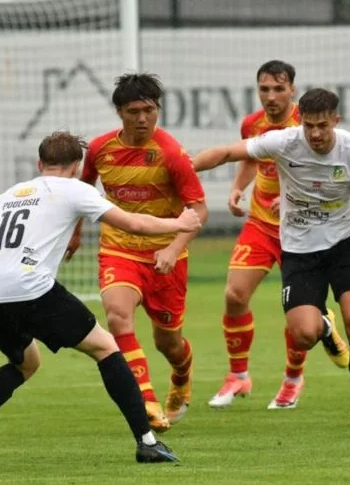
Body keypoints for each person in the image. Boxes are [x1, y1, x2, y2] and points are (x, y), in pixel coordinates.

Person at [0, 131, 199, 464]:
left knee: (26, 363)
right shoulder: (74, 189)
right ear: (76, 167)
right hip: (30, 287)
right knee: (107, 348)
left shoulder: (7, 196)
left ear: (40, 164)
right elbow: (133, 223)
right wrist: (179, 223)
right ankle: (147, 442)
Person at [193, 88, 350, 428]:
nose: (315, 134)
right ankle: (324, 326)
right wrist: (183, 168)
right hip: (300, 248)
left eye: (322, 126)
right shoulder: (284, 142)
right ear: (301, 123)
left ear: (336, 121)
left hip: (346, 243)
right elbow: (227, 153)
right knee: (304, 334)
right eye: (309, 125)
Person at [68, 73, 208, 433]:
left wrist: (174, 249)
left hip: (166, 259)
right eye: (134, 112)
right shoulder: (99, 149)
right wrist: (75, 232)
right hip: (119, 249)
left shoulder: (172, 154)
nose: (143, 118)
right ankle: (147, 400)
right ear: (120, 112)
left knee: (169, 343)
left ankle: (182, 374)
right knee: (117, 318)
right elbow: (83, 191)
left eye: (149, 110)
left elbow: (198, 210)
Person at [208, 61, 350, 410]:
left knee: (296, 312)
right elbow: (250, 157)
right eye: (264, 89)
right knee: (234, 295)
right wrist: (238, 188)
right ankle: (238, 376)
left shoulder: (309, 124)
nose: (271, 96)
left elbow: (327, 171)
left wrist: (291, 200)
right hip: (261, 224)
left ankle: (292, 380)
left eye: (278, 89)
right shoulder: (252, 124)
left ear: (292, 91)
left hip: (301, 229)